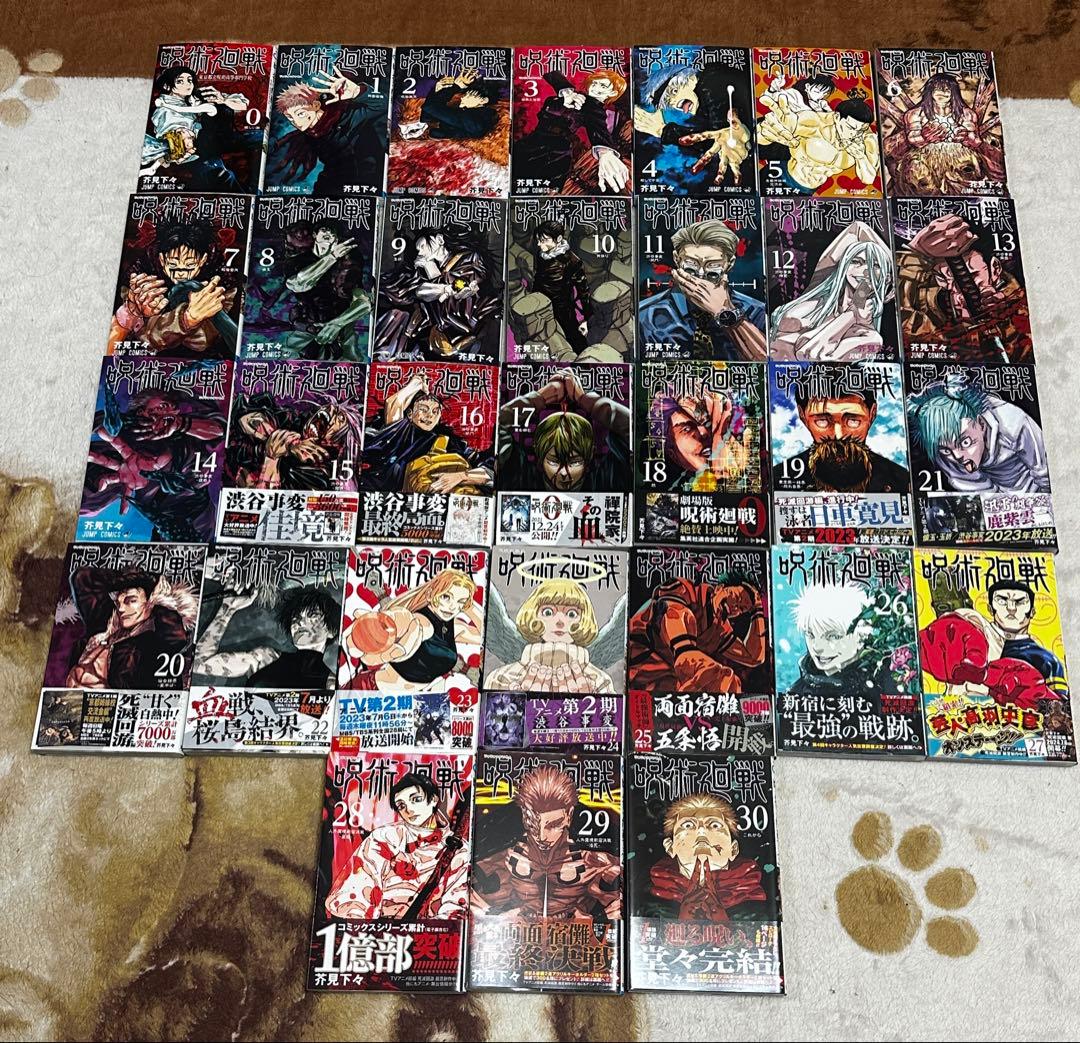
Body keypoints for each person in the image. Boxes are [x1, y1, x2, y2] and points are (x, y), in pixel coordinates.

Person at [471, 765, 621, 921]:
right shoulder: (505, 858)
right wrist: (492, 915)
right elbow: (463, 895)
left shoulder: (594, 861)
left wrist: (597, 919)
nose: (542, 837)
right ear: (524, 816)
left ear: (569, 815)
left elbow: (624, 900)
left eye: (553, 825)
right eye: (533, 823)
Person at [325, 773, 469, 921]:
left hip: (430, 931)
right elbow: (359, 885)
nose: (409, 810)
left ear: (433, 799)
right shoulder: (385, 837)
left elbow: (456, 905)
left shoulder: (459, 848)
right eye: (401, 805)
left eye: (416, 799)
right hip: (380, 928)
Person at [919, 579, 1067, 709]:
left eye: (1020, 602)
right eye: (1002, 600)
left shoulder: (1048, 660)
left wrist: (1032, 696)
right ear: (990, 608)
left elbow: (1060, 713)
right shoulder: (974, 629)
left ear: (1032, 611)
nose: (1011, 608)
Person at [638, 219, 766, 360]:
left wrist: (724, 310)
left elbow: (770, 362)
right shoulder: (645, 315)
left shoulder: (756, 312)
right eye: (691, 263)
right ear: (677, 259)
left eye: (712, 264)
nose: (700, 273)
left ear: (729, 264)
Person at [341, 569, 483, 692]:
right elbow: (399, 622)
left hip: (415, 702)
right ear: (430, 594)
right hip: (371, 692)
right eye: (446, 597)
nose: (452, 607)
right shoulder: (418, 621)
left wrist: (468, 605)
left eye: (460, 602)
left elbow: (486, 637)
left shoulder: (453, 626)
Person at [770, 222, 894, 361]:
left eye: (875, 265)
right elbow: (857, 228)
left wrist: (851, 315)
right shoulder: (815, 306)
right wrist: (853, 311)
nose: (865, 270)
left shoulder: (870, 338)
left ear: (886, 277)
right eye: (856, 261)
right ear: (843, 267)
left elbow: (808, 354)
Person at [497, 367, 630, 492]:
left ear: (590, 455)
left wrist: (586, 400)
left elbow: (635, 432)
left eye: (575, 462)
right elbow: (496, 426)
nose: (564, 473)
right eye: (554, 461)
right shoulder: (521, 477)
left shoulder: (607, 479)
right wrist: (540, 397)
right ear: (539, 454)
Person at [908, 376, 1049, 493]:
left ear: (981, 424)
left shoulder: (1013, 423)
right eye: (946, 450)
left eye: (965, 442)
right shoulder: (941, 449)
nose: (957, 456)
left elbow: (1046, 473)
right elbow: (978, 491)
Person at [360, 373, 494, 495]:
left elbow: (489, 470)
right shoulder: (400, 432)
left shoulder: (450, 442)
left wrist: (461, 477)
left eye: (435, 411)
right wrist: (416, 383)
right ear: (410, 413)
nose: (430, 415)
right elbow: (393, 404)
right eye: (424, 409)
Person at [64, 568, 196, 691]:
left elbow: (174, 639)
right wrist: (127, 576)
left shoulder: (153, 641)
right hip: (71, 700)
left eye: (131, 600)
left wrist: (160, 602)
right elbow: (83, 578)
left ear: (150, 602)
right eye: (118, 603)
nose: (121, 609)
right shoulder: (106, 625)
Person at [628, 577, 766, 691]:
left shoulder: (719, 628)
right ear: (720, 588)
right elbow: (674, 613)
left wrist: (758, 610)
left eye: (741, 609)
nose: (735, 607)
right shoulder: (687, 590)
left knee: (731, 683)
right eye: (736, 597)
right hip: (634, 658)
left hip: (658, 684)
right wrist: (688, 655)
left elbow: (754, 658)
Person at [645, 793, 768, 922]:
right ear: (670, 847)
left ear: (733, 849)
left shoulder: (757, 904)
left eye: (714, 825)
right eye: (688, 825)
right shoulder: (651, 902)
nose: (701, 831)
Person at [194, 584, 340, 690]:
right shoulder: (266, 659)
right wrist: (228, 609)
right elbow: (199, 662)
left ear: (331, 631)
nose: (300, 622)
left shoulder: (334, 684)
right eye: (295, 618)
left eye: (313, 616)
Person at [270, 65, 388, 193]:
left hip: (368, 182)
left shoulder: (345, 115)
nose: (297, 122)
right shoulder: (309, 134)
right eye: (291, 119)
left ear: (316, 105)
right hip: (333, 184)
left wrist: (358, 92)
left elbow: (383, 106)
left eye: (300, 114)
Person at [485, 578, 615, 693]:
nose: (560, 622)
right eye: (548, 612)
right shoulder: (502, 677)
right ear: (533, 615)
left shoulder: (599, 680)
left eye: (571, 614)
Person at [779, 381, 910, 493]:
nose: (838, 435)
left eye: (853, 421)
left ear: (872, 414)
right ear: (802, 416)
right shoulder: (779, 479)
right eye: (822, 421)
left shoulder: (902, 481)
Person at [514, 69, 630, 193]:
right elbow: (552, 74)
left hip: (554, 154)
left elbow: (599, 130)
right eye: (594, 83)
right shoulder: (576, 96)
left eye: (602, 86)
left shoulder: (595, 109)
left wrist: (605, 153)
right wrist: (566, 92)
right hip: (531, 143)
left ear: (612, 92)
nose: (595, 87)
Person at [786, 581, 899, 706]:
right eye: (810, 634)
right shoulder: (797, 694)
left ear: (863, 633)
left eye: (833, 636)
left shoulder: (892, 681)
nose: (816, 647)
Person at [529, 222, 593, 353]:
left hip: (563, 311)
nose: (539, 244)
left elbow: (583, 292)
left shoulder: (572, 261)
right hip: (541, 309)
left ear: (558, 239)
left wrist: (588, 320)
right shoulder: (541, 255)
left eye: (544, 240)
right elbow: (537, 281)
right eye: (538, 240)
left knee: (574, 342)